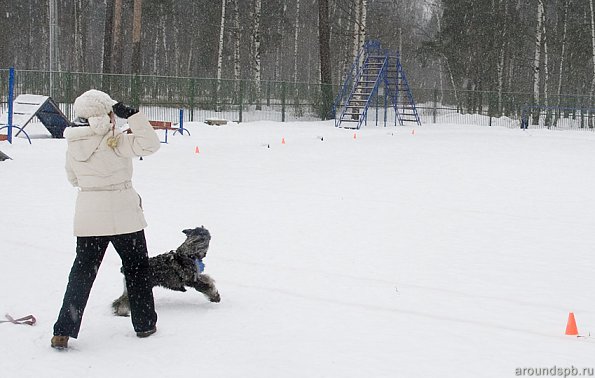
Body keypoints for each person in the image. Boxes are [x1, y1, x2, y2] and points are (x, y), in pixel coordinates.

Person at [51, 89, 161, 349]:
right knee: (137, 269)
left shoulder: (73, 143)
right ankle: (144, 324)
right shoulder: (116, 140)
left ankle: (63, 329)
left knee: (82, 273)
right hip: (124, 216)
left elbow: (73, 179)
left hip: (89, 216)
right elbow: (150, 144)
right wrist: (133, 115)